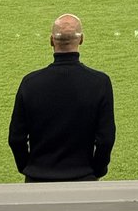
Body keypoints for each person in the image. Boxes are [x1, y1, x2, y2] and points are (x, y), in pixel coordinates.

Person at [8, 14, 115, 182]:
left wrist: (28, 167)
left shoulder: (30, 83)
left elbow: (16, 138)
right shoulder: (99, 83)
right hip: (83, 178)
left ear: (51, 40)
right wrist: (96, 170)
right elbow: (106, 139)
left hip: (37, 179)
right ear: (81, 40)